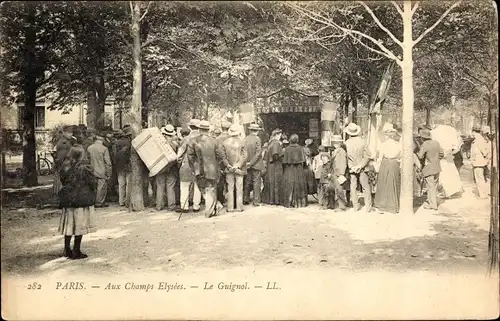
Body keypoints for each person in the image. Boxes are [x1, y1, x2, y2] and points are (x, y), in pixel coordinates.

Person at [58, 145, 97, 259]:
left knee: (69, 225)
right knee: (79, 225)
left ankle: (66, 249)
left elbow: (63, 180)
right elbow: (92, 182)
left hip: (69, 200)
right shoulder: (85, 168)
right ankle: (76, 250)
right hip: (81, 200)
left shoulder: (65, 166)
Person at [188, 120, 221, 218]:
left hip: (199, 170)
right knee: (211, 189)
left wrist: (194, 168)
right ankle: (210, 211)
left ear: (199, 129)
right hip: (212, 170)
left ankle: (211, 209)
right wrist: (217, 165)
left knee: (203, 189)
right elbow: (219, 156)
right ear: (208, 130)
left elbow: (190, 157)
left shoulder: (192, 141)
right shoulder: (215, 141)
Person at [344, 123, 373, 212]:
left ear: (349, 133)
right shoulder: (363, 141)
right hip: (362, 168)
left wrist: (352, 167)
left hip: (352, 168)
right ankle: (368, 207)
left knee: (353, 187)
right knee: (365, 187)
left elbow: (345, 157)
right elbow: (368, 155)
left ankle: (355, 206)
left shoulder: (346, 143)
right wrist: (360, 166)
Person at [374, 124, 402, 214]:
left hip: (385, 164)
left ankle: (382, 205)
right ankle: (393, 206)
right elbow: (400, 157)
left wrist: (377, 167)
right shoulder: (399, 145)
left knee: (383, 183)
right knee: (393, 183)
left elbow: (380, 157)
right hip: (394, 164)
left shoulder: (383, 145)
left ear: (387, 136)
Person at [430, 124, 463, 198]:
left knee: (443, 174)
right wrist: (449, 153)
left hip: (442, 158)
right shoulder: (451, 133)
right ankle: (450, 191)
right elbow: (455, 149)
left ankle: (445, 191)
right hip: (448, 157)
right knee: (451, 173)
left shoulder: (435, 133)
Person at [221, 125, 248, 212]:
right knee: (239, 188)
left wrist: (228, 165)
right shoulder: (242, 142)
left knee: (230, 188)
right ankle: (239, 207)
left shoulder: (225, 142)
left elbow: (223, 157)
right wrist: (238, 165)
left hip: (229, 169)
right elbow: (245, 156)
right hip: (239, 169)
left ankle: (230, 207)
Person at [155, 124, 180, 211]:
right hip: (172, 168)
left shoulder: (158, 143)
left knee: (160, 186)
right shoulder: (175, 144)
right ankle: (171, 206)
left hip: (160, 167)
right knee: (170, 187)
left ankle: (159, 205)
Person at [417, 128, 442, 211]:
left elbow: (420, 156)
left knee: (430, 187)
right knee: (434, 186)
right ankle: (432, 201)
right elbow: (442, 154)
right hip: (437, 167)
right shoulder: (436, 143)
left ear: (422, 138)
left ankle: (433, 205)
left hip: (429, 168)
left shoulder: (425, 144)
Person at [321, 135, 348, 211]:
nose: (335, 144)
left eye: (337, 142)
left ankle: (342, 207)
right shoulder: (336, 151)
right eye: (334, 142)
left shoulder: (341, 151)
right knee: (335, 189)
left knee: (339, 190)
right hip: (335, 172)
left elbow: (343, 163)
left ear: (340, 143)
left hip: (339, 173)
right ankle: (335, 205)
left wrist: (341, 174)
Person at [282, 134, 308, 208]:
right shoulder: (300, 148)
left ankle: (289, 202)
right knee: (299, 184)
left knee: (289, 184)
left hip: (289, 169)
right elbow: (304, 160)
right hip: (298, 169)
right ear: (297, 140)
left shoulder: (287, 149)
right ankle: (299, 203)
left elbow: (284, 161)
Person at [87, 132, 112, 207]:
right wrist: (109, 173)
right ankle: (99, 202)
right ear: (102, 140)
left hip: (92, 170)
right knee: (101, 188)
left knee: (93, 187)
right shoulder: (104, 148)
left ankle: (93, 201)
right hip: (102, 170)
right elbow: (108, 163)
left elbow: (87, 160)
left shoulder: (89, 148)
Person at [176, 127, 198, 213]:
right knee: (197, 187)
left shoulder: (186, 141)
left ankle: (184, 207)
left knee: (184, 186)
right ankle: (196, 206)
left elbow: (179, 154)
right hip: (197, 166)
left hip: (186, 165)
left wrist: (178, 161)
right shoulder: (201, 140)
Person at [243, 123, 264, 206]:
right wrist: (252, 163)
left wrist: (247, 163)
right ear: (257, 131)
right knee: (256, 182)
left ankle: (245, 199)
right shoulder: (257, 139)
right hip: (256, 164)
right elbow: (258, 153)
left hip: (247, 164)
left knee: (247, 181)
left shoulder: (245, 139)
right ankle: (256, 201)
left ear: (250, 130)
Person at [263, 129, 284, 205]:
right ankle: (276, 200)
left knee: (271, 182)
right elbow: (275, 154)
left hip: (270, 166)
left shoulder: (270, 143)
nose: (280, 137)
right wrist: (281, 159)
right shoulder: (276, 143)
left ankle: (271, 200)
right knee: (276, 182)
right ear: (276, 135)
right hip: (276, 165)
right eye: (279, 135)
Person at [113, 126, 132, 207]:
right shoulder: (130, 142)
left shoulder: (116, 142)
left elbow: (114, 155)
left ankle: (121, 201)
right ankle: (127, 201)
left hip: (119, 166)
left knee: (121, 184)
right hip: (128, 165)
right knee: (128, 184)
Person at [54, 126, 75, 197]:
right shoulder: (64, 143)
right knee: (66, 185)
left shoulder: (67, 141)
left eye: (72, 133)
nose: (71, 134)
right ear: (64, 133)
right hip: (65, 166)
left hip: (66, 166)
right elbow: (60, 158)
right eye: (69, 133)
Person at [471, 125, 490, 199]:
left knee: (480, 179)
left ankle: (483, 194)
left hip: (479, 162)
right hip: (479, 162)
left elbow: (484, 151)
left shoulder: (479, 139)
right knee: (481, 178)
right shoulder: (479, 139)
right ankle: (484, 193)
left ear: (474, 131)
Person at [215, 121, 231, 206]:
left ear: (221, 128)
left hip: (220, 163)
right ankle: (231, 199)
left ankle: (221, 199)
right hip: (230, 162)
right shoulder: (232, 138)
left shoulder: (217, 139)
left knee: (220, 182)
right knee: (230, 181)